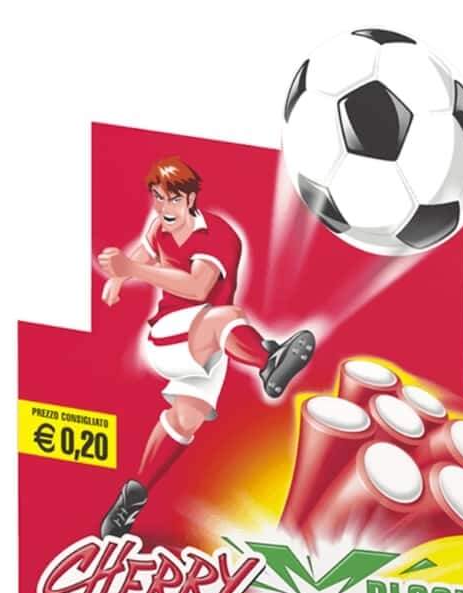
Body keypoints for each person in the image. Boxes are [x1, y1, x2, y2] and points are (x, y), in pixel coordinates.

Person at [95, 157, 315, 538]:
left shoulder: (219, 236)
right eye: (158, 197)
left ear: (191, 199)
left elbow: (198, 287)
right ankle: (268, 360)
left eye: (173, 199)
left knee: (185, 420)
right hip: (171, 334)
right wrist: (119, 278)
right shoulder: (160, 227)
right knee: (225, 316)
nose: (164, 207)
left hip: (213, 341)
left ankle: (130, 499)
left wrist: (131, 271)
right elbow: (146, 250)